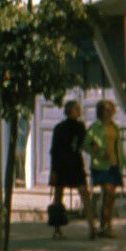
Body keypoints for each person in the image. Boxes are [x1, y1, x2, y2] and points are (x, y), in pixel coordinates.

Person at [84, 100, 126, 238]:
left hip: (114, 164)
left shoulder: (115, 128)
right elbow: (86, 144)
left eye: (111, 110)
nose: (108, 112)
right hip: (101, 166)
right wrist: (99, 152)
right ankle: (104, 225)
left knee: (111, 197)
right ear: (100, 112)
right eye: (105, 110)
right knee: (107, 192)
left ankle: (106, 225)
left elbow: (119, 148)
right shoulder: (95, 127)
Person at [46, 100, 87, 236]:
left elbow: (83, 143)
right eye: (77, 109)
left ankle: (92, 226)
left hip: (72, 163)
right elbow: (54, 150)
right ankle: (56, 227)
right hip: (63, 164)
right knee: (59, 195)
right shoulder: (61, 128)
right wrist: (53, 170)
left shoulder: (80, 127)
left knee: (83, 193)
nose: (79, 111)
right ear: (70, 111)